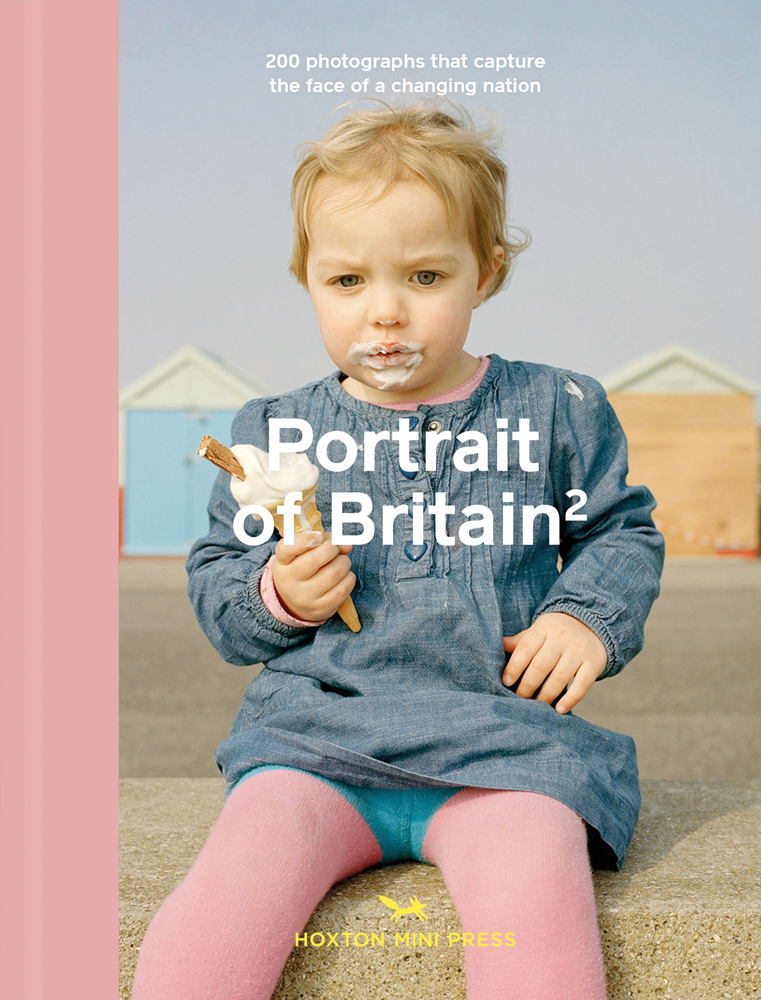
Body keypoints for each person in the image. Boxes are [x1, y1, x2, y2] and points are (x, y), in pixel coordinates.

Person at [132, 104, 664, 1000]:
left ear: (485, 272)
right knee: (230, 892)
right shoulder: (273, 431)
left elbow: (620, 527)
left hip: (504, 749)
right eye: (346, 281)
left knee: (534, 901)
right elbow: (222, 585)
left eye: (424, 274)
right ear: (305, 278)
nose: (385, 312)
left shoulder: (557, 410)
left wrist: (586, 618)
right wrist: (276, 596)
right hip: (314, 745)